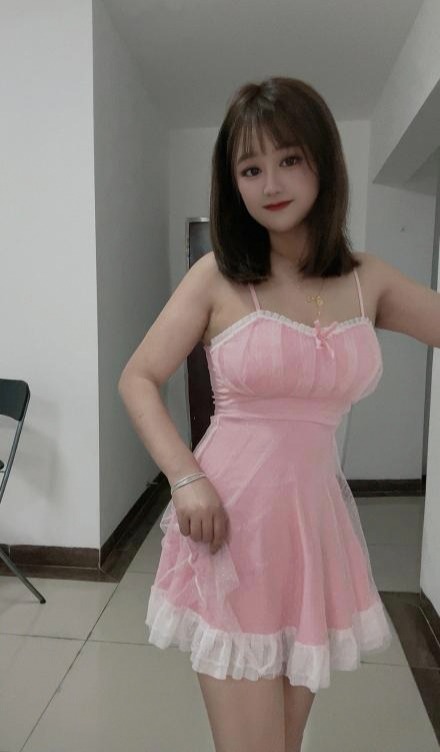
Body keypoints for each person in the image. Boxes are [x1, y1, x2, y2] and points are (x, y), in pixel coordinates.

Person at [118, 76, 394, 752]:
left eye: (289, 158)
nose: (271, 182)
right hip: (230, 523)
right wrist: (185, 477)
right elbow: (139, 378)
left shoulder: (369, 279)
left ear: (323, 162)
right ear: (233, 182)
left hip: (312, 527)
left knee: (285, 742)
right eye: (250, 168)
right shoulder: (217, 275)